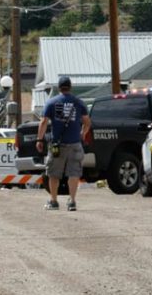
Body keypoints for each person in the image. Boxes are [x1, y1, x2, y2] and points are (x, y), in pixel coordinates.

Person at [36, 76, 90, 211]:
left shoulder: (52, 102)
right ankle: (72, 201)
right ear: (70, 87)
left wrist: (39, 139)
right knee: (74, 173)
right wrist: (83, 133)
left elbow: (43, 122)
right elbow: (87, 121)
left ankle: (53, 201)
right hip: (75, 143)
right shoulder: (78, 103)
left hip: (57, 145)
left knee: (54, 173)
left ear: (59, 88)